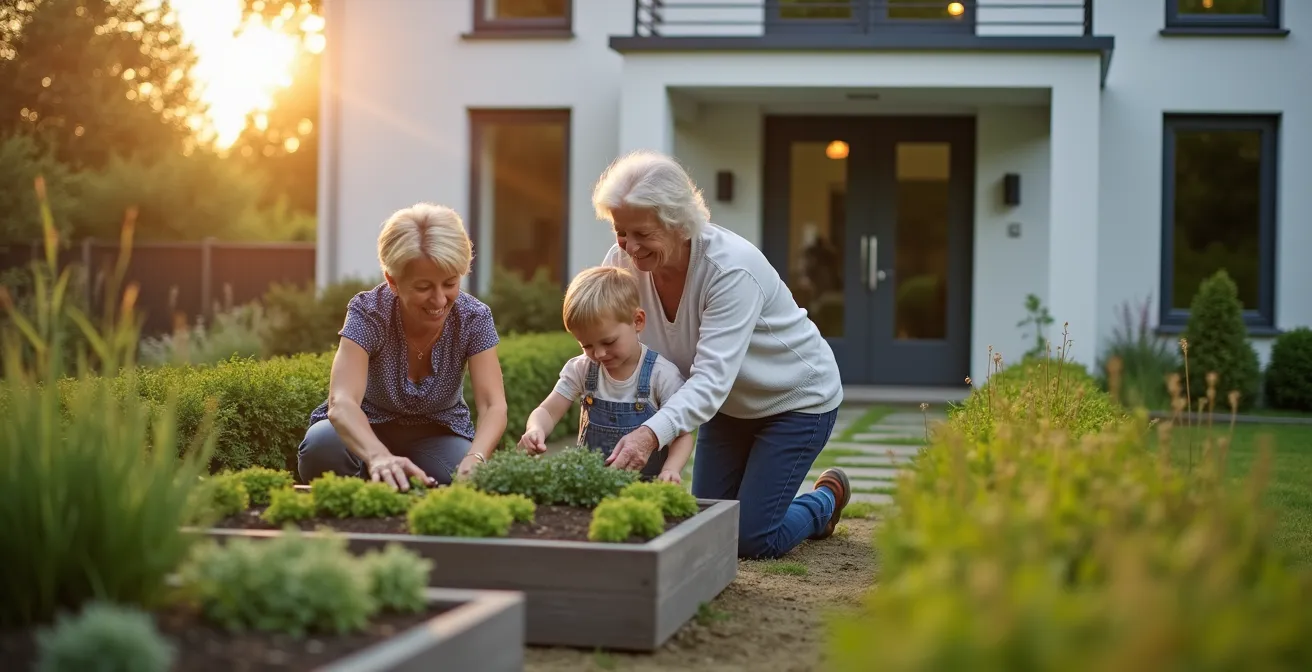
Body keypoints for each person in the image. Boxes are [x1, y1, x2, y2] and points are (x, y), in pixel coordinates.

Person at [589, 150, 851, 559]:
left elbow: (709, 380)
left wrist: (648, 434)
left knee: (750, 540)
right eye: (621, 231)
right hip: (727, 409)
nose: (629, 247)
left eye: (642, 234)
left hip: (795, 402)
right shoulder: (621, 263)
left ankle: (824, 500)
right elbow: (607, 337)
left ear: (677, 222)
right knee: (708, 524)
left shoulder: (729, 269)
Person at [298, 203, 508, 491]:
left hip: (438, 435)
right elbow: (342, 402)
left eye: (449, 283)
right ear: (392, 281)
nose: (439, 300)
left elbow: (493, 405)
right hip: (366, 429)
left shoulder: (474, 317)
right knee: (322, 446)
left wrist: (477, 456)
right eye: (423, 287)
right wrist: (379, 456)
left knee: (463, 474)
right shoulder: (368, 312)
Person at [518, 266, 694, 484]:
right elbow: (548, 411)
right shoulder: (582, 369)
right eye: (587, 345)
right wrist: (535, 429)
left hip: (647, 489)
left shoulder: (661, 374)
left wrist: (671, 469)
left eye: (608, 342)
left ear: (637, 321)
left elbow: (682, 435)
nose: (599, 353)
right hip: (590, 486)